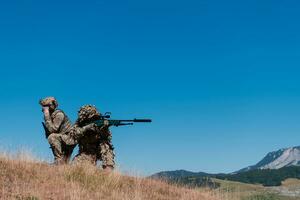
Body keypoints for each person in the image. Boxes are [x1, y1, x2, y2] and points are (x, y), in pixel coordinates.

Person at [71, 105, 115, 171]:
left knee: (105, 145)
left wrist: (104, 129)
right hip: (86, 152)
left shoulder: (100, 123)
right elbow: (73, 135)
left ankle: (108, 169)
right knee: (74, 167)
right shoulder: (79, 124)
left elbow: (107, 138)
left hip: (99, 151)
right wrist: (86, 128)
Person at [39, 97, 75, 164]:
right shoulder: (52, 115)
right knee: (64, 163)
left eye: (46, 106)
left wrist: (46, 115)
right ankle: (60, 163)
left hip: (69, 139)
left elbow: (53, 129)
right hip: (64, 138)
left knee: (52, 137)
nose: (44, 108)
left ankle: (57, 160)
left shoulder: (59, 114)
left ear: (52, 105)